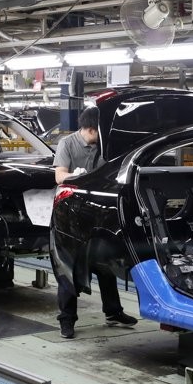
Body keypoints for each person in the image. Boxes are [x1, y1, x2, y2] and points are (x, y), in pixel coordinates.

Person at [53, 107, 138, 339]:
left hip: (98, 213)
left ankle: (113, 312)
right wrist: (78, 175)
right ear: (91, 129)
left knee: (105, 263)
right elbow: (59, 176)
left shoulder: (104, 147)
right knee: (70, 267)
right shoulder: (67, 144)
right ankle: (67, 320)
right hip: (71, 213)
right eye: (101, 131)